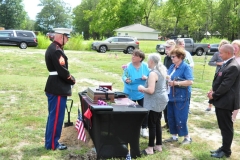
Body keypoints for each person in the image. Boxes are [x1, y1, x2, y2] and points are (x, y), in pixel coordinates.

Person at [44, 28, 76, 150]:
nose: (67, 40)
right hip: (57, 87)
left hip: (55, 86)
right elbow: (62, 72)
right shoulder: (56, 51)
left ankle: (50, 142)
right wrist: (72, 79)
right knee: (56, 117)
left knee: (53, 116)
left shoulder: (54, 48)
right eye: (66, 37)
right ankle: (52, 144)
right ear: (61, 36)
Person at [207, 44, 240, 158]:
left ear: (228, 53)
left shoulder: (233, 66)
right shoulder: (228, 63)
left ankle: (226, 150)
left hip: (226, 102)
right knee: (223, 126)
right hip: (222, 100)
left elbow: (225, 85)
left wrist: (214, 95)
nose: (219, 55)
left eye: (221, 53)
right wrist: (212, 92)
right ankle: (224, 147)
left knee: (226, 127)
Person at [138, 53, 168, 155]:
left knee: (152, 124)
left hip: (155, 101)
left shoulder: (153, 73)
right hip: (162, 99)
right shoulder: (161, 70)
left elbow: (151, 90)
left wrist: (142, 88)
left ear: (151, 61)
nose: (147, 62)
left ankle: (150, 148)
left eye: (148, 60)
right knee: (157, 123)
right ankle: (158, 146)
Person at [164, 47, 193, 145]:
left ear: (180, 57)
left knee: (181, 117)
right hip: (171, 95)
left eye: (173, 57)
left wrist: (176, 83)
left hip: (181, 97)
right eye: (171, 57)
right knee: (171, 116)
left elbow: (190, 81)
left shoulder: (185, 67)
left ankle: (187, 137)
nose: (171, 58)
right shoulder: (172, 66)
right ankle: (174, 136)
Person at [122, 49, 150, 137]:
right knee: (130, 111)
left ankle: (144, 128)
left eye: (135, 55)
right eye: (132, 55)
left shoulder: (145, 66)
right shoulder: (128, 66)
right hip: (129, 92)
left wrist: (146, 77)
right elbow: (124, 75)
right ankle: (131, 128)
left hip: (142, 92)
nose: (132, 57)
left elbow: (151, 75)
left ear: (140, 58)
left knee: (145, 111)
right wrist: (126, 79)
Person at [206, 39, 230, 111]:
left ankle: (220, 105)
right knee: (214, 88)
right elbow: (210, 62)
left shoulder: (230, 55)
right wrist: (218, 63)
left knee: (223, 89)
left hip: (226, 74)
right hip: (218, 73)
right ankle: (210, 105)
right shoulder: (217, 54)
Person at [175, 38, 194, 114]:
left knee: (187, 92)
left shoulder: (187, 53)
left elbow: (192, 63)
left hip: (186, 76)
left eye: (183, 44)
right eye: (181, 44)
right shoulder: (175, 54)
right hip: (178, 77)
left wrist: (187, 66)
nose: (183, 45)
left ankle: (187, 108)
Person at [162, 39, 176, 130]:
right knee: (165, 104)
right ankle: (167, 122)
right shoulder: (166, 58)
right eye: (165, 47)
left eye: (168, 47)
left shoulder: (176, 58)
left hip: (174, 84)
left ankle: (172, 124)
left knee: (172, 105)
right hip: (166, 83)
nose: (166, 49)